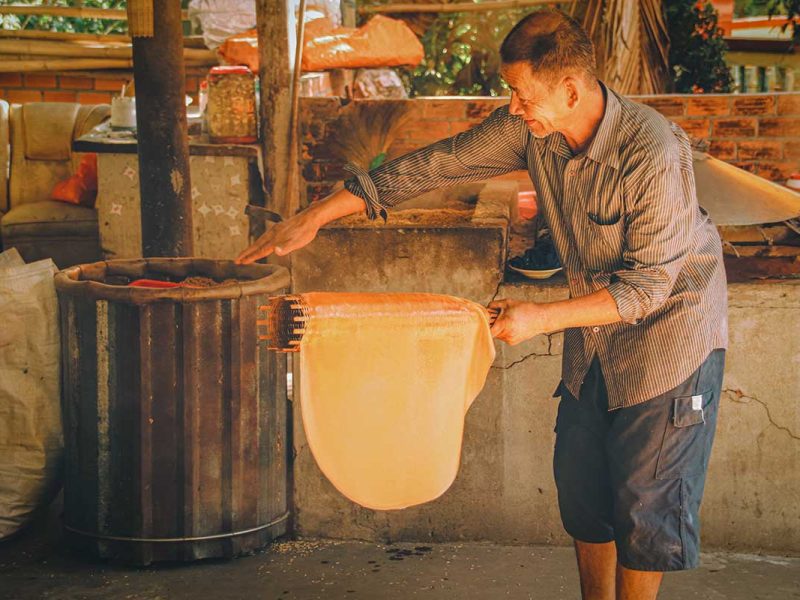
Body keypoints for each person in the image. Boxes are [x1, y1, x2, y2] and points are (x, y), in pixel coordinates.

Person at [237, 9, 728, 600]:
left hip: (670, 340)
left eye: (521, 94)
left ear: (570, 90)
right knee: (584, 495)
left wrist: (539, 317)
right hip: (593, 338)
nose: (514, 107)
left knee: (644, 507)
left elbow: (648, 288)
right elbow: (436, 163)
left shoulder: (650, 149)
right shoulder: (532, 129)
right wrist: (315, 216)